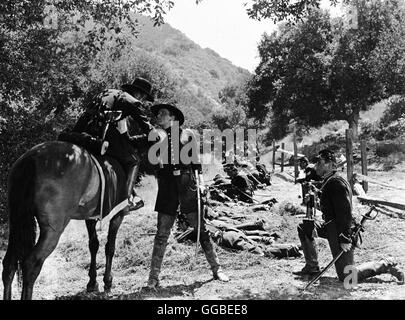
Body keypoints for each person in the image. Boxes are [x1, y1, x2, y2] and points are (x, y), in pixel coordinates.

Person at [147, 103, 229, 289]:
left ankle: (217, 269)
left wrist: (200, 184)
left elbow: (196, 164)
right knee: (161, 235)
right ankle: (153, 279)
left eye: (163, 113)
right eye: (158, 114)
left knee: (201, 230)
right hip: (167, 188)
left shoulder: (187, 135)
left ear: (173, 117)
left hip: (187, 186)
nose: (159, 116)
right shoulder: (155, 136)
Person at [293, 149, 404, 285]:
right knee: (305, 227)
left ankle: (385, 264)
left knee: (347, 277)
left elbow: (344, 213)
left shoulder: (336, 183)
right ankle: (312, 267)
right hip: (330, 226)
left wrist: (345, 238)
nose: (316, 166)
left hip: (341, 230)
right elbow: (331, 206)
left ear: (329, 164)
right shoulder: (329, 180)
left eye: (319, 162)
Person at [63, 77, 155, 213]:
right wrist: (156, 133)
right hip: (102, 137)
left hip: (79, 133)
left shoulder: (106, 92)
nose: (142, 100)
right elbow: (146, 127)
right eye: (143, 97)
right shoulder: (133, 102)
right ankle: (127, 200)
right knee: (134, 161)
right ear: (140, 94)